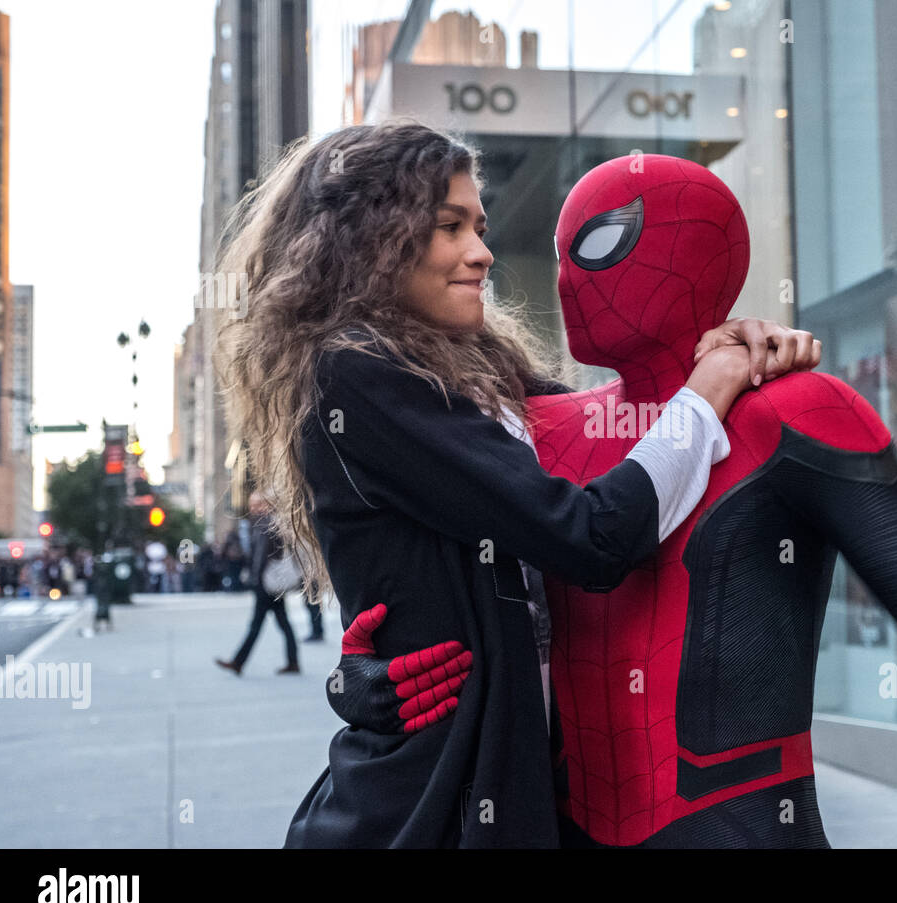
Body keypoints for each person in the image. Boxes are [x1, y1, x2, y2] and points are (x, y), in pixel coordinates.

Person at [335, 155, 897, 848]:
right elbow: (412, 566)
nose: (569, 275)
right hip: (558, 822)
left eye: (600, 242)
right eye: (560, 251)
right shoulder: (526, 425)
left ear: (701, 251)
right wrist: (361, 681)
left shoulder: (792, 411)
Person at [212, 120, 817, 847]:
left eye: (481, 226)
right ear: (371, 241)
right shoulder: (360, 373)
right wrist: (708, 388)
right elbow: (591, 532)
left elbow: (623, 444)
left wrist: (730, 353)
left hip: (532, 782)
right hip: (433, 807)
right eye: (449, 227)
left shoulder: (476, 364)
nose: (482, 252)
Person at [214, 491, 300, 676]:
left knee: (257, 625)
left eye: (257, 504)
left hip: (265, 583)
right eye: (252, 504)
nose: (253, 508)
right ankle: (292, 661)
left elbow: (261, 555)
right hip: (271, 582)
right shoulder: (270, 523)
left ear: (267, 505)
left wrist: (255, 578)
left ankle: (238, 662)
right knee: (282, 623)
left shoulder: (264, 524)